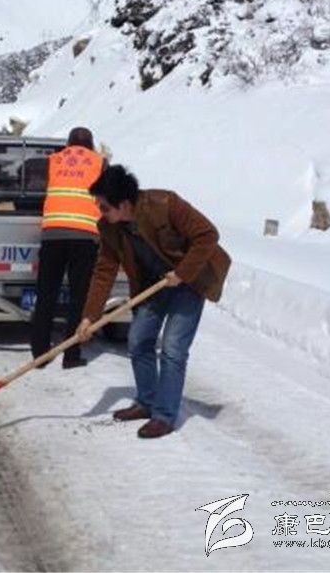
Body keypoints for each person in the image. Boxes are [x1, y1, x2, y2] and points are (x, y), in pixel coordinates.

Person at [76, 165, 231, 438]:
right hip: (152, 287)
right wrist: (90, 316)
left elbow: (208, 235)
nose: (100, 211)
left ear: (124, 204)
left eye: (104, 206)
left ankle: (164, 416)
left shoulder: (166, 204)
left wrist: (181, 273)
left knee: (173, 348)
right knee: (138, 340)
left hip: (189, 282)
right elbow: (105, 271)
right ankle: (146, 402)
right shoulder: (109, 227)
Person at [30, 127, 105, 369]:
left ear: (68, 144)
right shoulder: (99, 162)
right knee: (78, 297)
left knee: (46, 294)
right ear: (90, 145)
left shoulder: (53, 160)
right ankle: (71, 355)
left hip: (53, 234)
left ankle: (40, 355)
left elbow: (37, 185)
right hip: (85, 236)